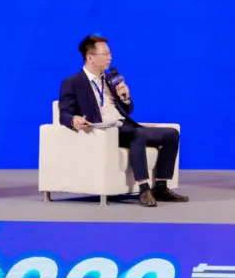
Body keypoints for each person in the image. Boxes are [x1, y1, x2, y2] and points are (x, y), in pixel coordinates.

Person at [58, 35, 187, 207]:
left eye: (110, 53)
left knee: (171, 134)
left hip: (125, 126)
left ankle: (161, 187)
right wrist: (74, 119)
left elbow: (127, 110)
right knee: (138, 134)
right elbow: (64, 114)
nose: (110, 57)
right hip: (104, 131)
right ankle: (144, 189)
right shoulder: (72, 82)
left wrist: (125, 97)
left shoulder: (111, 79)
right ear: (90, 58)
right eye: (105, 54)